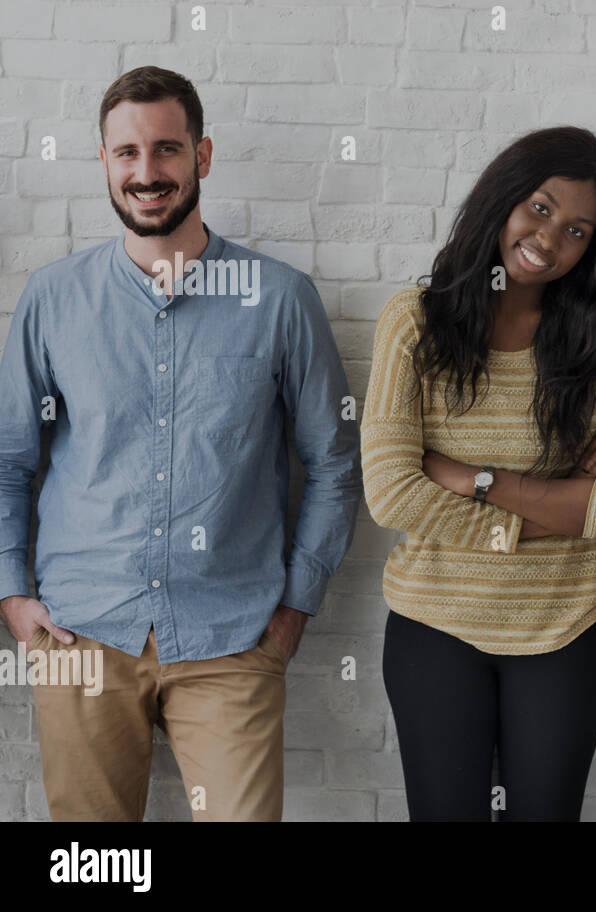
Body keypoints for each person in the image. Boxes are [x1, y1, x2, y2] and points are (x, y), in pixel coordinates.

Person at [0, 66, 362, 821]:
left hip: (232, 638)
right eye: (126, 153)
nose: (146, 173)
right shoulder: (54, 299)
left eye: (166, 150)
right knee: (95, 869)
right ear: (103, 163)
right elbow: (10, 459)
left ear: (202, 155)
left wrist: (297, 602)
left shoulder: (280, 299)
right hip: (81, 635)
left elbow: (333, 462)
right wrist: (12, 593)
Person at [362, 126, 596, 822]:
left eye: (579, 230)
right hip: (435, 630)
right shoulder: (413, 325)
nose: (551, 238)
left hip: (564, 633)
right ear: (503, 197)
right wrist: (560, 503)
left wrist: (475, 478)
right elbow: (391, 491)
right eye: (542, 207)